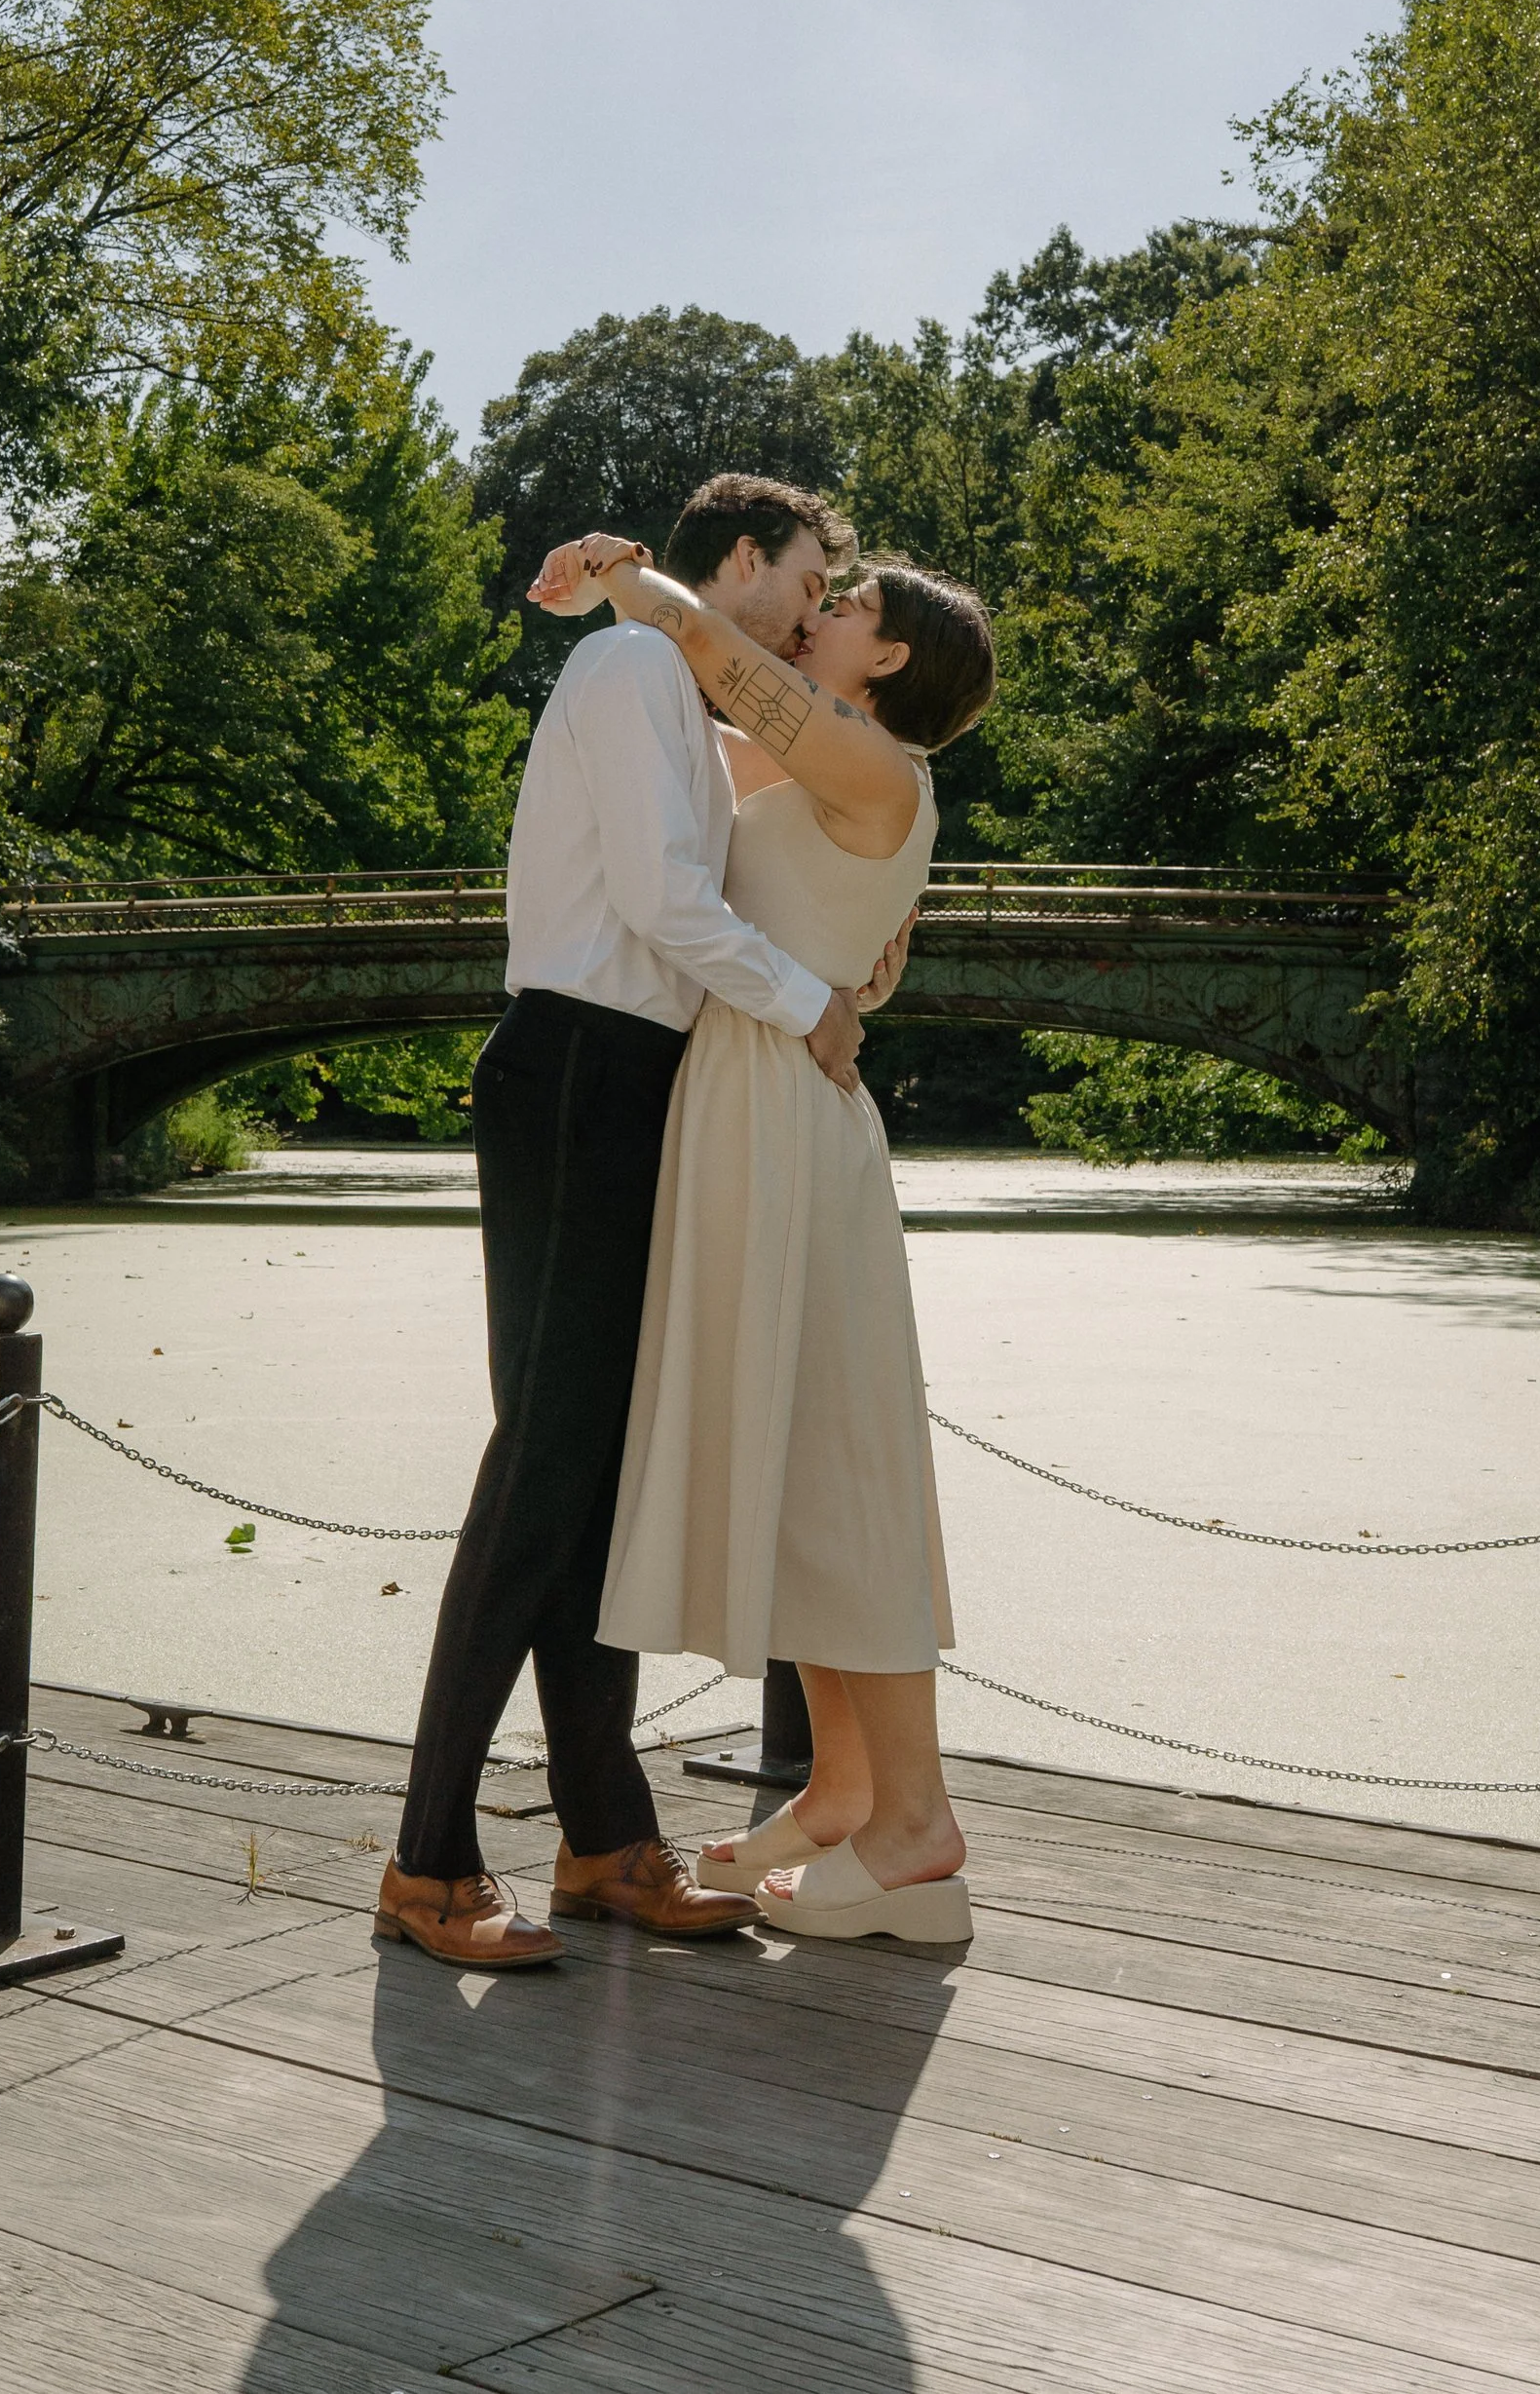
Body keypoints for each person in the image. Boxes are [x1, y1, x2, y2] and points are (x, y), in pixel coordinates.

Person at [376, 474, 872, 1969]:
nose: (805, 609)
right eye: (802, 576)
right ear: (738, 556)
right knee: (540, 1471)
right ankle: (426, 1860)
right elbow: (659, 898)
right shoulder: (630, 662)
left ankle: (602, 1837)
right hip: (578, 1070)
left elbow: (806, 802)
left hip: (633, 1085)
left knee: (591, 1477)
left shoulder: (682, 680)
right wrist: (808, 1010)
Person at [529, 529, 996, 1949]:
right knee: (802, 1450)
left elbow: (712, 657)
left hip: (793, 1109)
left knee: (842, 1456)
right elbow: (685, 774)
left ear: (892, 655)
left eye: (847, 605)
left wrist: (624, 576)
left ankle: (916, 1826)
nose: (825, 613)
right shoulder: (811, 770)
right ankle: (849, 1787)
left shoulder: (875, 764)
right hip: (750, 1097)